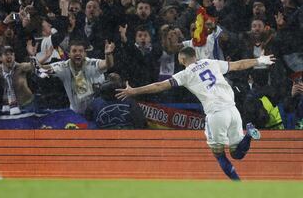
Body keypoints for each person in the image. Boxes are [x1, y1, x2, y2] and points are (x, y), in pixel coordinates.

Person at [116, 46, 276, 180]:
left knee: (220, 155)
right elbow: (238, 65)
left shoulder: (185, 73)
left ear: (182, 59)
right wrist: (259, 60)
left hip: (216, 113)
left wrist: (134, 91)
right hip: (233, 110)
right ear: (195, 55)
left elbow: (160, 86)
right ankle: (248, 135)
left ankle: (239, 187)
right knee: (237, 154)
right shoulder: (211, 62)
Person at [35, 39, 115, 115]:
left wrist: (108, 54)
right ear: (69, 54)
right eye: (74, 51)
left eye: (81, 51)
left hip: (98, 111)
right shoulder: (63, 67)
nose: (77, 53)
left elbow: (108, 64)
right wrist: (34, 57)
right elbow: (41, 69)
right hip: (77, 113)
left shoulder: (93, 63)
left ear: (85, 53)